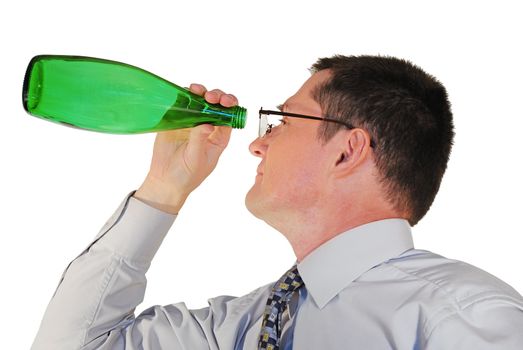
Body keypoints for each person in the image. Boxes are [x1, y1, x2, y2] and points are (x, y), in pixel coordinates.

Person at [32, 55, 523, 350]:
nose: (256, 144)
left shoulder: (465, 317)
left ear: (348, 151)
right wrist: (164, 187)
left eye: (284, 120)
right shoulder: (248, 325)